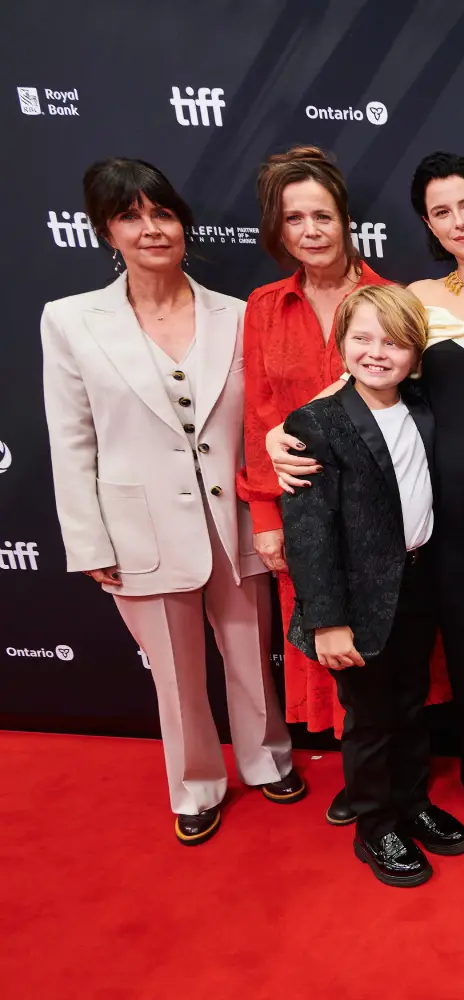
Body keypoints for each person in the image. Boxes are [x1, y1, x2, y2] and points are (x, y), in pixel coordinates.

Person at [272, 152, 464, 827]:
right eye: (441, 212)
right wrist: (280, 434)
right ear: (429, 226)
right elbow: (358, 379)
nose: (458, 221)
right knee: (462, 642)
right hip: (438, 510)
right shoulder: (417, 301)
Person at [40, 158, 301, 846]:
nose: (151, 229)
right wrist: (88, 540)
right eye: (130, 217)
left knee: (250, 654)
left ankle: (267, 759)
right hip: (139, 527)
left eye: (162, 214)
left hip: (235, 519)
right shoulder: (71, 321)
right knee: (176, 677)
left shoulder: (238, 315)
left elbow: (258, 420)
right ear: (106, 232)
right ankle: (196, 785)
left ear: (183, 223)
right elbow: (71, 438)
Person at [238, 145, 448, 826]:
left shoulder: (393, 301)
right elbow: (260, 412)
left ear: (346, 219)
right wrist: (266, 506)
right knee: (353, 677)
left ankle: (401, 798)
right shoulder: (265, 307)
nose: (311, 231)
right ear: (278, 228)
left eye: (322, 215)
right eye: (294, 219)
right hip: (314, 514)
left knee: (400, 688)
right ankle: (371, 805)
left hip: (400, 547)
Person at [281, 285, 464, 888]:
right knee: (368, 716)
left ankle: (412, 803)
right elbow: (309, 532)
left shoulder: (421, 405)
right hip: (354, 601)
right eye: (362, 339)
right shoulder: (316, 423)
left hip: (417, 582)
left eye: (393, 342)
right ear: (341, 345)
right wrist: (327, 620)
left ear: (415, 353)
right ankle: (374, 824)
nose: (376, 353)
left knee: (411, 705)